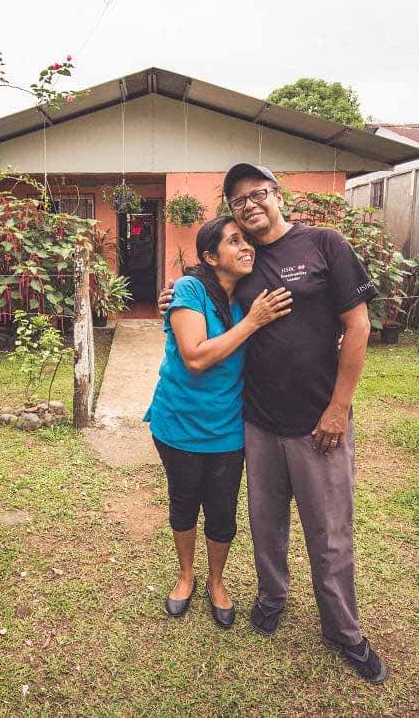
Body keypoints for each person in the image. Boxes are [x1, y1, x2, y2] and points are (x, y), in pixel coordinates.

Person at [158, 163, 387, 683]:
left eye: (257, 193)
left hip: (317, 420)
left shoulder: (324, 245)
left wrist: (339, 407)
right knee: (266, 525)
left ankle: (344, 630)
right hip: (256, 422)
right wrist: (174, 297)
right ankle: (271, 599)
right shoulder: (245, 262)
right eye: (238, 201)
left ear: (277, 194)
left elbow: (358, 325)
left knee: (329, 533)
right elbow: (204, 288)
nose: (249, 205)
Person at [144, 216, 292, 628]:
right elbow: (194, 357)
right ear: (211, 257)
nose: (246, 247)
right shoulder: (191, 289)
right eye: (234, 241)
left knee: (223, 510)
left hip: (228, 426)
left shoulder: (248, 295)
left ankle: (216, 581)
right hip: (179, 422)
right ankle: (186, 575)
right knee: (184, 501)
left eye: (247, 240)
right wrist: (252, 322)